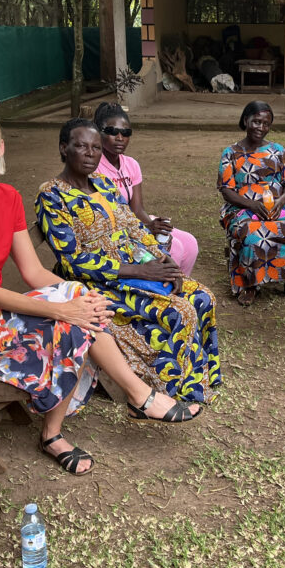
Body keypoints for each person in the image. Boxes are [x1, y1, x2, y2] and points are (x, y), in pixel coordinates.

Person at [0, 107, 201, 477]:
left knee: (80, 304)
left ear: (1, 147)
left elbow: (33, 272)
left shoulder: (7, 198)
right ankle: (122, 402)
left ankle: (108, 408)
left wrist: (81, 296)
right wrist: (65, 310)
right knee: (70, 319)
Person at [35, 118, 221, 404]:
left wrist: (164, 262)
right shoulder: (52, 195)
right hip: (96, 281)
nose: (90, 153)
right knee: (178, 310)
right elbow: (72, 261)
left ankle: (198, 378)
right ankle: (166, 391)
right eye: (80, 146)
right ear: (64, 148)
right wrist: (141, 270)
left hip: (138, 268)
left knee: (203, 297)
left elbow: (134, 229)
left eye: (96, 147)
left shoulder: (105, 184)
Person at [218, 100, 285, 307]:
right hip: (242, 207)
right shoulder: (231, 153)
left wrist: (279, 202)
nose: (261, 128)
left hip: (281, 204)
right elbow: (226, 190)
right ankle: (251, 284)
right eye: (256, 122)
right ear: (246, 120)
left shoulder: (278, 151)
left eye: (266, 124)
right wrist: (251, 205)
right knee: (252, 234)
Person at [92, 102, 200, 276]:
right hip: (116, 229)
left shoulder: (131, 164)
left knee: (190, 243)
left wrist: (151, 224)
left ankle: (182, 285)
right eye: (113, 132)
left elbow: (137, 208)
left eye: (126, 133)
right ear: (99, 132)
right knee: (176, 247)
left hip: (137, 221)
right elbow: (108, 218)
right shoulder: (94, 167)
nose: (120, 137)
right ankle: (167, 290)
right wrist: (146, 228)